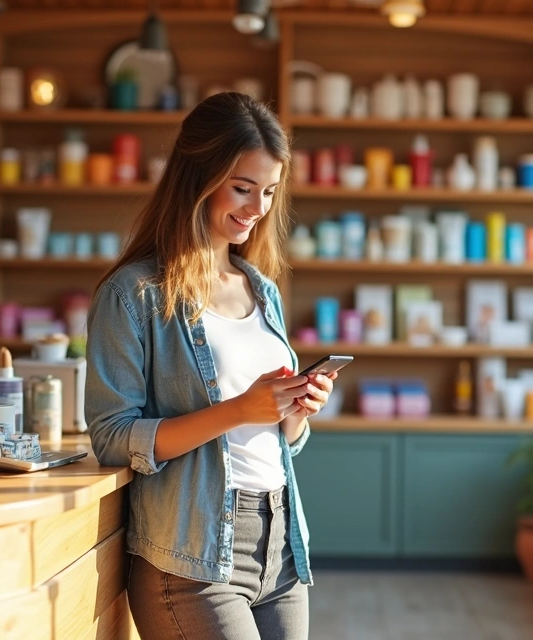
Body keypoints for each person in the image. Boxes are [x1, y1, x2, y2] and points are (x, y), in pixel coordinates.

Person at [85, 92, 337, 640]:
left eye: (269, 191)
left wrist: (295, 411)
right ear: (196, 178)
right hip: (191, 558)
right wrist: (238, 410)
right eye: (242, 188)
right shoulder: (135, 294)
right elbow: (112, 436)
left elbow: (279, 438)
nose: (257, 208)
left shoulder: (262, 289)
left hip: (282, 544)